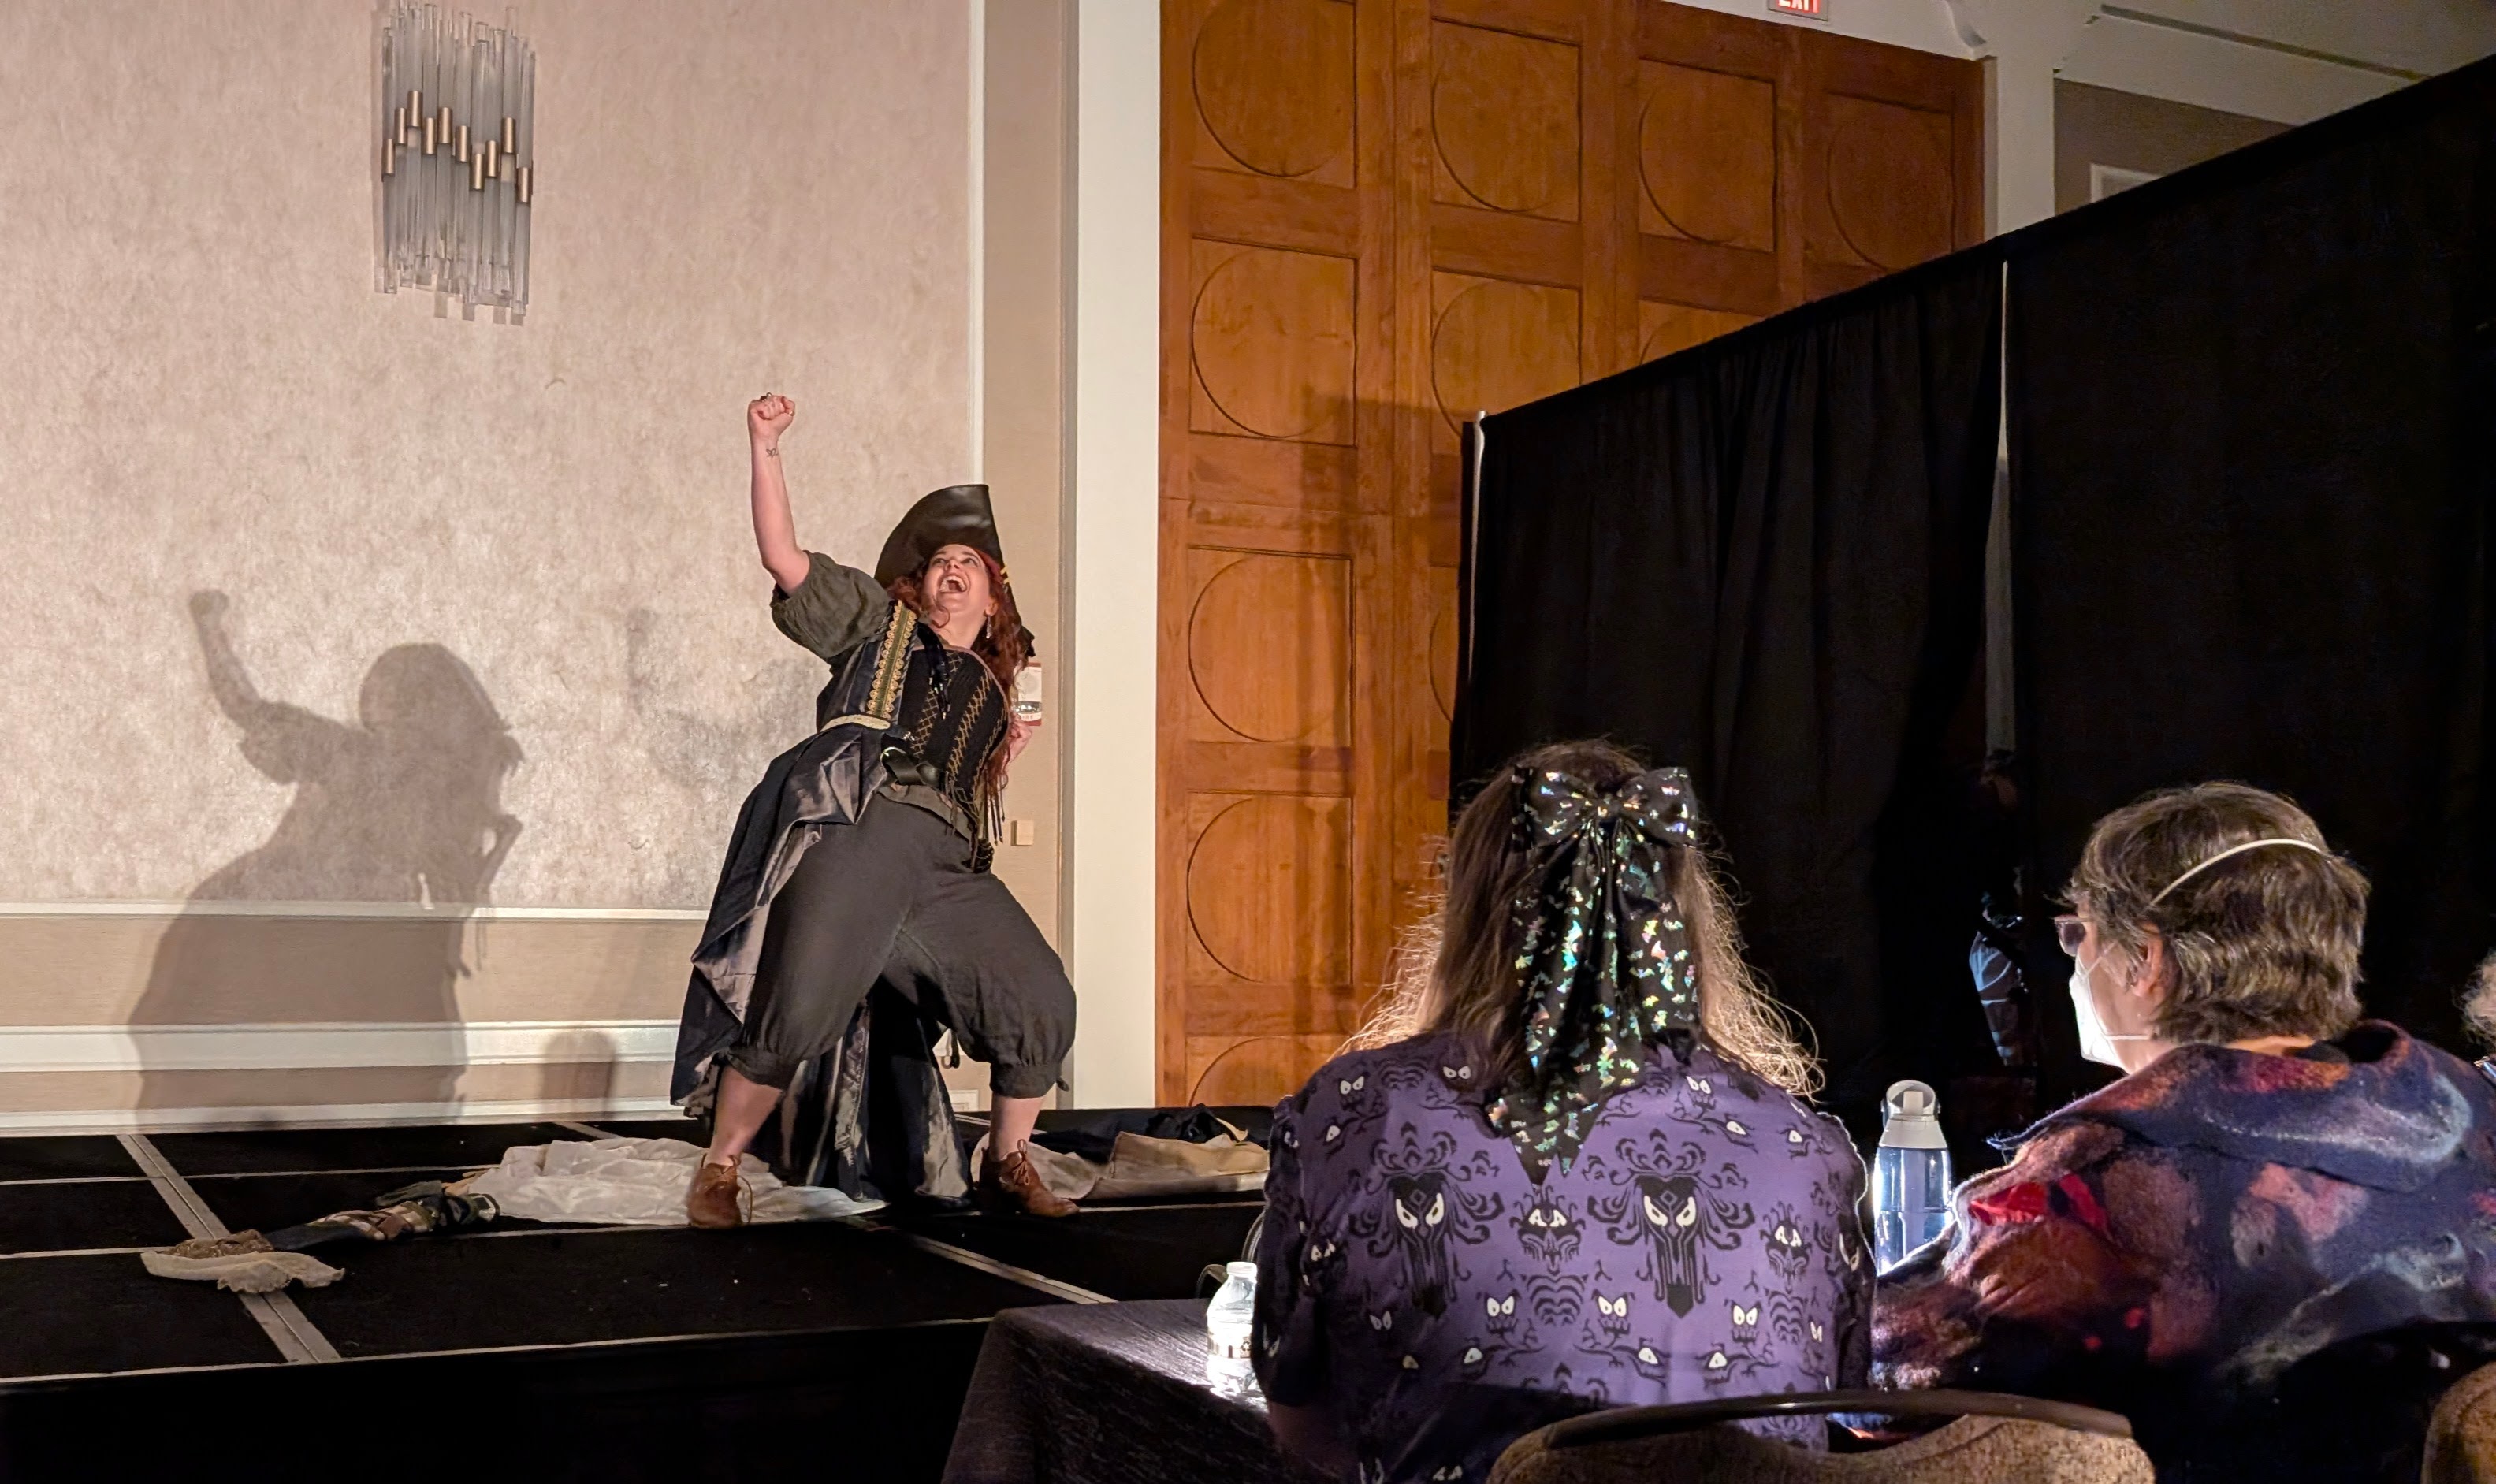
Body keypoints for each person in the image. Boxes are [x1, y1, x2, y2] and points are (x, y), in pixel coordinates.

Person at [1253, 741, 1868, 1483]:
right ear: (1678, 917)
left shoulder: (1355, 1117)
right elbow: (1840, 1408)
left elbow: (1304, 1428)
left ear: (1470, 911)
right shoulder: (1808, 1151)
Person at [1874, 782, 2496, 1478]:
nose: (2074, 962)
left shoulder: (2104, 1168)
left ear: (2147, 959)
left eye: (2077, 932)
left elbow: (1890, 1383)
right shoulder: (2469, 1104)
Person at [670, 393, 1077, 1224]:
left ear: (995, 599)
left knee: (1038, 995)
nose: (952, 570)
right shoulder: (875, 625)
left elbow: (978, 781)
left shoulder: (998, 691)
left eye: (971, 563)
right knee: (800, 1002)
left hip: (947, 866)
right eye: (939, 562)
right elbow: (782, 555)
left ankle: (1006, 1158)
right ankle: (719, 1167)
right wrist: (765, 445)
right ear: (918, 583)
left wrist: (1010, 744)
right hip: (862, 824)